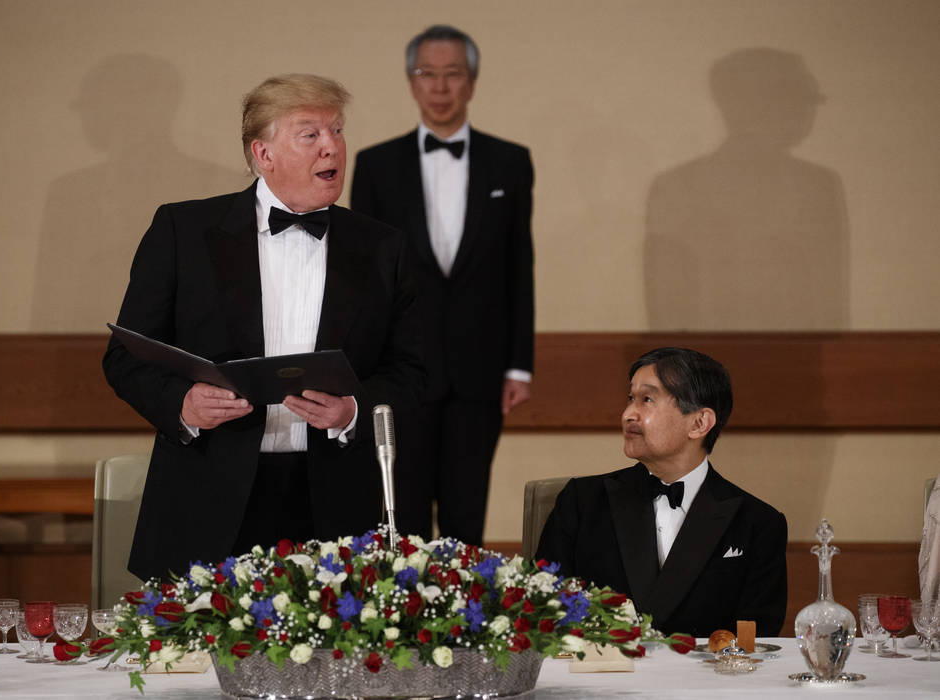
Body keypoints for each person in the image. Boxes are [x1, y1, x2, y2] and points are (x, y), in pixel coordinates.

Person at [103, 74, 424, 581]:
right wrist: (183, 403)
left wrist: (353, 408)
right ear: (263, 154)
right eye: (310, 134)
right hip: (209, 498)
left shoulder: (384, 247)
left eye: (337, 131)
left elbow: (416, 370)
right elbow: (125, 358)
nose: (331, 146)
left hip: (336, 504)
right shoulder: (183, 231)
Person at [350, 25, 534, 546]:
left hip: (481, 372)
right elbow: (364, 277)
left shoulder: (511, 161)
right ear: (412, 83)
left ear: (471, 82)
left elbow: (520, 264)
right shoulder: (376, 165)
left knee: (465, 519)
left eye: (452, 74)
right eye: (427, 74)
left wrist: (520, 364)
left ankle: (466, 624)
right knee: (399, 516)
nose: (439, 86)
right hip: (399, 372)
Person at [535, 347, 787, 637]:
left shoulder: (759, 523)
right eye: (630, 399)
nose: (628, 414)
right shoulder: (581, 501)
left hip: (706, 680)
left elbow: (754, 638)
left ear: (699, 423)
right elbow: (544, 610)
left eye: (647, 400)